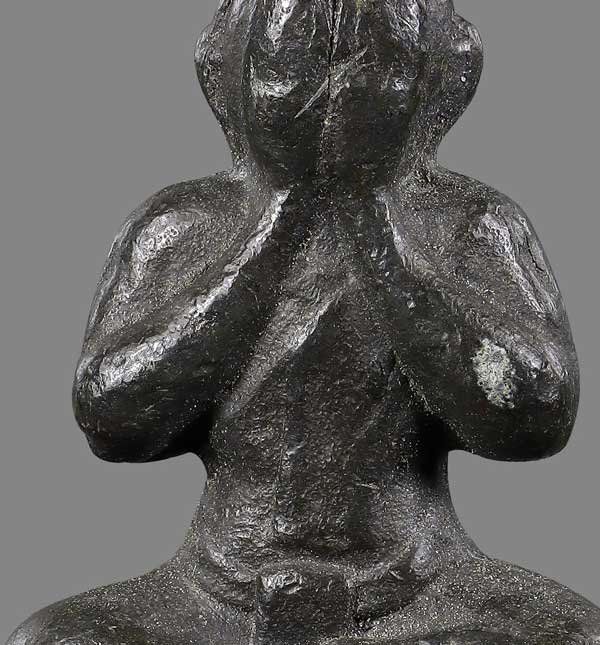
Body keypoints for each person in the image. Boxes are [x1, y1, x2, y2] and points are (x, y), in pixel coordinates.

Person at [8, 1, 600, 643]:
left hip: (422, 583)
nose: (331, 103)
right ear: (227, 74)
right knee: (55, 638)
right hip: (215, 589)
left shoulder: (472, 226)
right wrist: (279, 221)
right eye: (290, 72)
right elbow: (112, 421)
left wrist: (371, 213)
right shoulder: (181, 226)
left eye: (375, 73)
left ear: (441, 78)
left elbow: (533, 420)